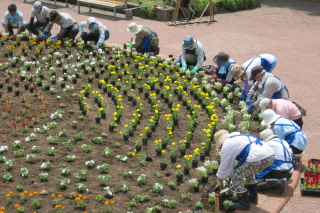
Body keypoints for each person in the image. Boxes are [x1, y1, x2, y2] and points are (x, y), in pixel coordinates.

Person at [213, 130, 274, 210]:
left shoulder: (227, 145)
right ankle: (253, 197)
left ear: (221, 143)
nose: (220, 148)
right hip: (270, 155)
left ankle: (244, 203)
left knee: (235, 176)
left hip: (258, 158)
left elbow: (224, 166)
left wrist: (219, 181)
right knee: (248, 171)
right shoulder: (239, 137)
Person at [255, 129, 293, 196]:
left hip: (279, 172)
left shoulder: (268, 144)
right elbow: (291, 154)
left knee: (253, 184)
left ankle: (278, 182)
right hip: (289, 172)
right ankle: (278, 181)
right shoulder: (284, 142)